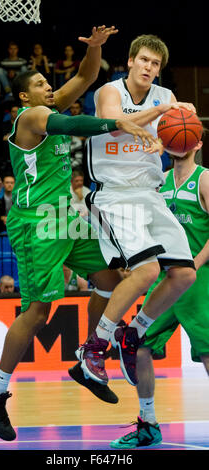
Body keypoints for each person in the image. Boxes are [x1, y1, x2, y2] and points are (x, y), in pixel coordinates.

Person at [0, 25, 160, 442]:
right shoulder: (32, 116)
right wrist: (121, 123)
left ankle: (87, 356)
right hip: (37, 221)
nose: (48, 86)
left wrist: (94, 49)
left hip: (66, 216)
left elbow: (87, 78)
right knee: (39, 311)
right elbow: (76, 126)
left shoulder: (48, 104)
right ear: (24, 95)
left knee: (112, 282)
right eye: (40, 83)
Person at [72, 34, 197, 392]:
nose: (149, 68)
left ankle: (134, 333)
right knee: (146, 270)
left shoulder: (166, 97)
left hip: (151, 194)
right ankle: (93, 349)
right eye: (143, 60)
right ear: (130, 61)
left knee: (184, 275)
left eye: (155, 64)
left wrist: (174, 139)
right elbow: (116, 122)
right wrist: (161, 113)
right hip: (115, 195)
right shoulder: (109, 92)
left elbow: (177, 140)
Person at [110, 141, 209, 449]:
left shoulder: (204, 179)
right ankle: (148, 423)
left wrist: (193, 264)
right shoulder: (159, 181)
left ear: (197, 143)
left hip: (199, 279)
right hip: (166, 279)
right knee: (138, 346)